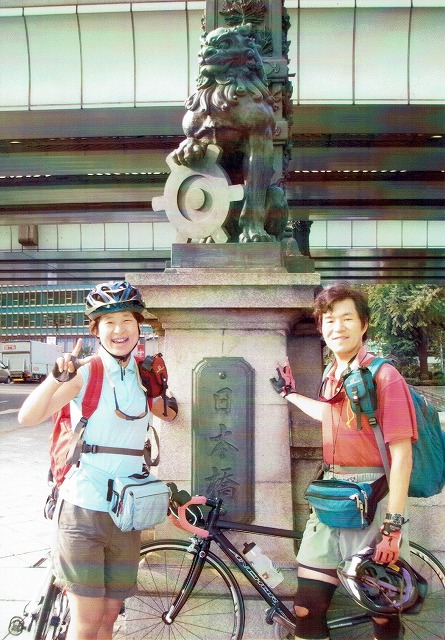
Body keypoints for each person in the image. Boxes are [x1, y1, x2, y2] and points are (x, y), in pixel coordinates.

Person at [18, 281, 177, 640]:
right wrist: (55, 378)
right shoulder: (86, 372)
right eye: (109, 322)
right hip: (83, 512)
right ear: (96, 330)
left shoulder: (143, 375)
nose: (119, 330)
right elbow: (27, 417)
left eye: (127, 320)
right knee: (87, 622)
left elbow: (168, 413)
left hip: (127, 514)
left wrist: (164, 386)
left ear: (139, 326)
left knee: (108, 618)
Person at [270, 283, 417, 640]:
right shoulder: (331, 374)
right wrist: (290, 395)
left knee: (382, 614)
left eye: (347, 318)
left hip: (374, 500)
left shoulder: (385, 376)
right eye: (330, 320)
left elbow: (402, 455)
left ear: (364, 324)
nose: (338, 327)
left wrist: (392, 527)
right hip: (331, 498)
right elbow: (332, 416)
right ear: (321, 327)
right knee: (307, 608)